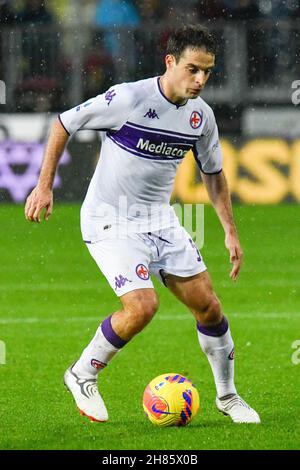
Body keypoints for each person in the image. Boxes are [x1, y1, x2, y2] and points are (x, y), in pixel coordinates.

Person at [25, 25, 260, 424]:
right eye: (192, 69)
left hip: (160, 219)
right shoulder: (129, 98)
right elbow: (63, 123)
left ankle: (228, 396)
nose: (200, 79)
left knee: (209, 307)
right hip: (109, 219)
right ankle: (82, 372)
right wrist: (43, 186)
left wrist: (230, 231)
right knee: (143, 305)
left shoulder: (202, 116)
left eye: (207, 72)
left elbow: (214, 174)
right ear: (170, 62)